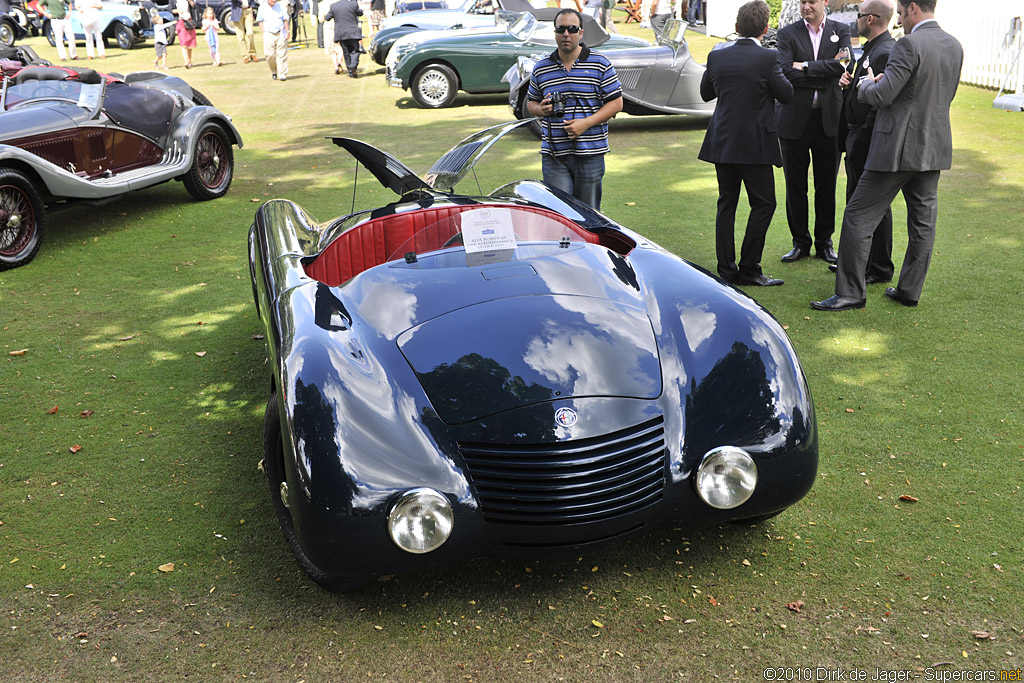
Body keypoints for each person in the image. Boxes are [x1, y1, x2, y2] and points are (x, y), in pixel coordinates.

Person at [811, 0, 962, 311]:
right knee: (923, 222)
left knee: (857, 216)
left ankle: (851, 292)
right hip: (933, 146)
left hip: (896, 147)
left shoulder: (908, 45)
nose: (901, 21)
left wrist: (865, 84)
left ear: (912, 9)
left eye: (903, 14)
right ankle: (909, 290)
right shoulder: (954, 45)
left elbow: (881, 96)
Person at [698, 0, 794, 286]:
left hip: (724, 140)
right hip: (755, 144)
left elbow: (705, 93)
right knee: (764, 203)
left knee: (726, 203)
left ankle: (726, 270)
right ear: (766, 29)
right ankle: (750, 268)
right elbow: (786, 94)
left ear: (736, 27)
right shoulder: (768, 58)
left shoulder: (717, 56)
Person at [775, 0, 851, 264]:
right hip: (794, 119)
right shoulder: (787, 33)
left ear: (825, 2)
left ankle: (824, 242)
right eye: (802, 1)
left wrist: (805, 66)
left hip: (828, 119)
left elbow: (843, 65)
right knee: (795, 185)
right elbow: (785, 71)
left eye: (811, 1)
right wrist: (826, 70)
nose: (806, 6)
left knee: (826, 185)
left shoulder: (840, 30)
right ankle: (800, 242)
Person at [526, 9, 623, 211]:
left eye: (572, 29)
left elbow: (616, 103)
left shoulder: (600, 64)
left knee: (589, 214)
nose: (566, 34)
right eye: (561, 29)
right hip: (553, 154)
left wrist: (585, 123)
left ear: (581, 32)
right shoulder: (541, 68)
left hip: (590, 152)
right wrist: (541, 109)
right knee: (558, 212)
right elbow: (531, 103)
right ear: (554, 33)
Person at [829, 0, 895, 284]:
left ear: (870, 18)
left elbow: (879, 105)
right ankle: (862, 262)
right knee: (859, 202)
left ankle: (877, 268)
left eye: (857, 15)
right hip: (857, 135)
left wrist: (861, 139)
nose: (853, 20)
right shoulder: (869, 50)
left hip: (867, 139)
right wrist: (848, 85)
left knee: (872, 206)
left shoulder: (885, 52)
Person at [324, 0, 362, 78]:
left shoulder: (334, 6)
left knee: (346, 52)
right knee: (355, 51)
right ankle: (353, 65)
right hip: (353, 32)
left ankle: (350, 72)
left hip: (341, 33)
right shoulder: (353, 4)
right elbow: (360, 13)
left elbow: (327, 18)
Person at [257, 0, 290, 80]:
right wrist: (263, 30)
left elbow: (285, 19)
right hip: (268, 33)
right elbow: (260, 20)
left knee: (282, 54)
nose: (274, 1)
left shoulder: (280, 6)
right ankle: (274, 70)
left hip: (280, 32)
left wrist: (287, 31)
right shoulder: (262, 7)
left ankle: (282, 73)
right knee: (269, 55)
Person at [174, 0, 198, 68]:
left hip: (189, 21)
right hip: (180, 21)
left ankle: (189, 61)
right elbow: (170, 10)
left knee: (190, 41)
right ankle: (186, 62)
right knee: (183, 41)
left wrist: (190, 1)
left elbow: (194, 6)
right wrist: (178, 11)